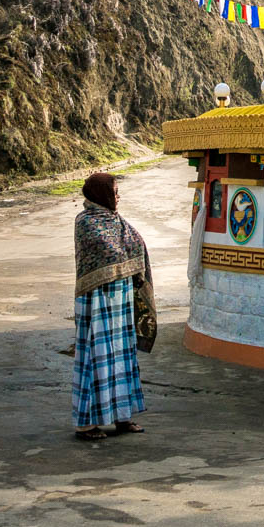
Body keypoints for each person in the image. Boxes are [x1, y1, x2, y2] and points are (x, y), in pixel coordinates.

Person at [72, 172, 155, 441]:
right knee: (96, 358)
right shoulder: (86, 221)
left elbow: (136, 245)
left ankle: (122, 417)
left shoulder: (115, 220)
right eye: (114, 191)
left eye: (118, 191)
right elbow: (110, 250)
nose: (118, 197)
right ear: (101, 194)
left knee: (121, 357)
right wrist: (129, 260)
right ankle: (86, 424)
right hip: (96, 302)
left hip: (120, 302)